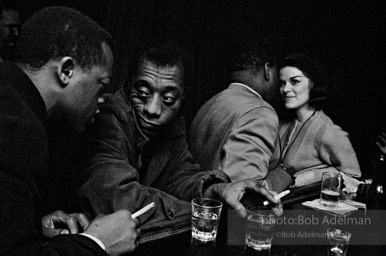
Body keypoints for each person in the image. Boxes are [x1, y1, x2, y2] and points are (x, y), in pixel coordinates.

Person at [79, 39, 282, 228]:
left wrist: (218, 190)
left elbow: (180, 177)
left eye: (168, 99)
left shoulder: (174, 125)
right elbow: (118, 198)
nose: (152, 109)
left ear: (183, 95)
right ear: (129, 83)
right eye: (142, 93)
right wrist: (198, 211)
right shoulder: (108, 117)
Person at [0, 6, 139, 256]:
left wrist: (31, 224)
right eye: (101, 85)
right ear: (66, 71)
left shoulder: (9, 99)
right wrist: (96, 244)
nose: (102, 100)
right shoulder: (17, 129)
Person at [188, 36, 293, 192]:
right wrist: (284, 175)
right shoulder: (259, 112)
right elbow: (246, 193)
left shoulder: (210, 103)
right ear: (267, 70)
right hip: (226, 215)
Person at [277, 52, 361, 187]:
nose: (285, 89)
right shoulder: (283, 121)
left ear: (313, 84)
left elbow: (353, 176)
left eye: (295, 82)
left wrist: (313, 176)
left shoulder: (327, 131)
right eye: (282, 83)